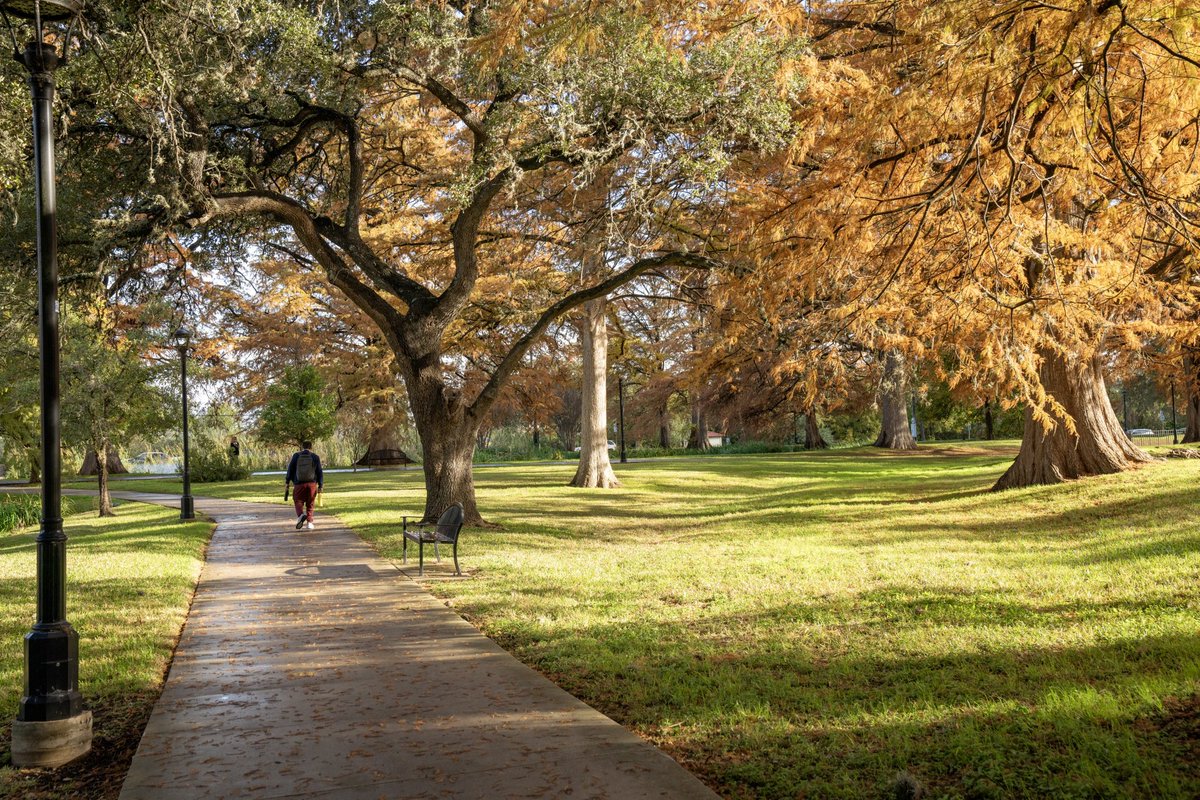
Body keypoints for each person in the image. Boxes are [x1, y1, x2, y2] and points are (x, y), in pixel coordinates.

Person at [285, 441, 323, 530]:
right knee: (310, 503)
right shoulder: (315, 457)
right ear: (311, 447)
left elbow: (290, 469)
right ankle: (309, 523)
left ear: (302, 446)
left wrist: (287, 482)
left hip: (298, 484)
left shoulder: (296, 456)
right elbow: (319, 472)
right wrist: (320, 485)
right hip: (312, 484)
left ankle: (301, 515)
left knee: (298, 500)